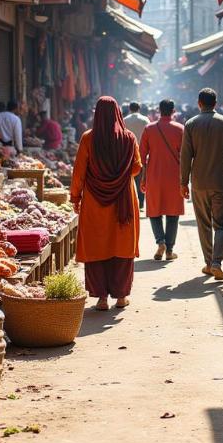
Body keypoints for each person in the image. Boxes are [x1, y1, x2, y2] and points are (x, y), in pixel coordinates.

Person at [70, 97, 141, 311]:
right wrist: (120, 176)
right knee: (121, 245)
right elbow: (137, 167)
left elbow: (79, 172)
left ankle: (101, 299)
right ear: (118, 113)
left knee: (97, 245)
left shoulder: (88, 138)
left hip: (94, 200)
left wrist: (75, 197)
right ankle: (121, 297)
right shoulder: (128, 138)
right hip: (123, 200)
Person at [180, 87, 223, 281]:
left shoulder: (191, 124)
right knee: (222, 224)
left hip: (199, 183)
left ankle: (209, 263)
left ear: (199, 103)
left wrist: (183, 182)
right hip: (221, 182)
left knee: (204, 224)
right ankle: (217, 262)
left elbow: (185, 156)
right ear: (215, 104)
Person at [140, 99, 185, 261]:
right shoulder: (180, 129)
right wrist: (185, 179)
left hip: (154, 176)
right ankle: (169, 250)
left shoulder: (149, 129)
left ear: (159, 110)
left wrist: (144, 178)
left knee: (154, 210)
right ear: (173, 111)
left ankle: (160, 242)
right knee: (173, 214)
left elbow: (142, 156)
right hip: (174, 176)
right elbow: (186, 155)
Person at [123, 102, 149, 209]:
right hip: (142, 151)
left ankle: (132, 201)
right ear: (139, 108)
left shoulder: (124, 120)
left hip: (128, 153)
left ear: (129, 109)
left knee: (130, 177)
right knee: (142, 177)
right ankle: (141, 202)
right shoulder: (145, 120)